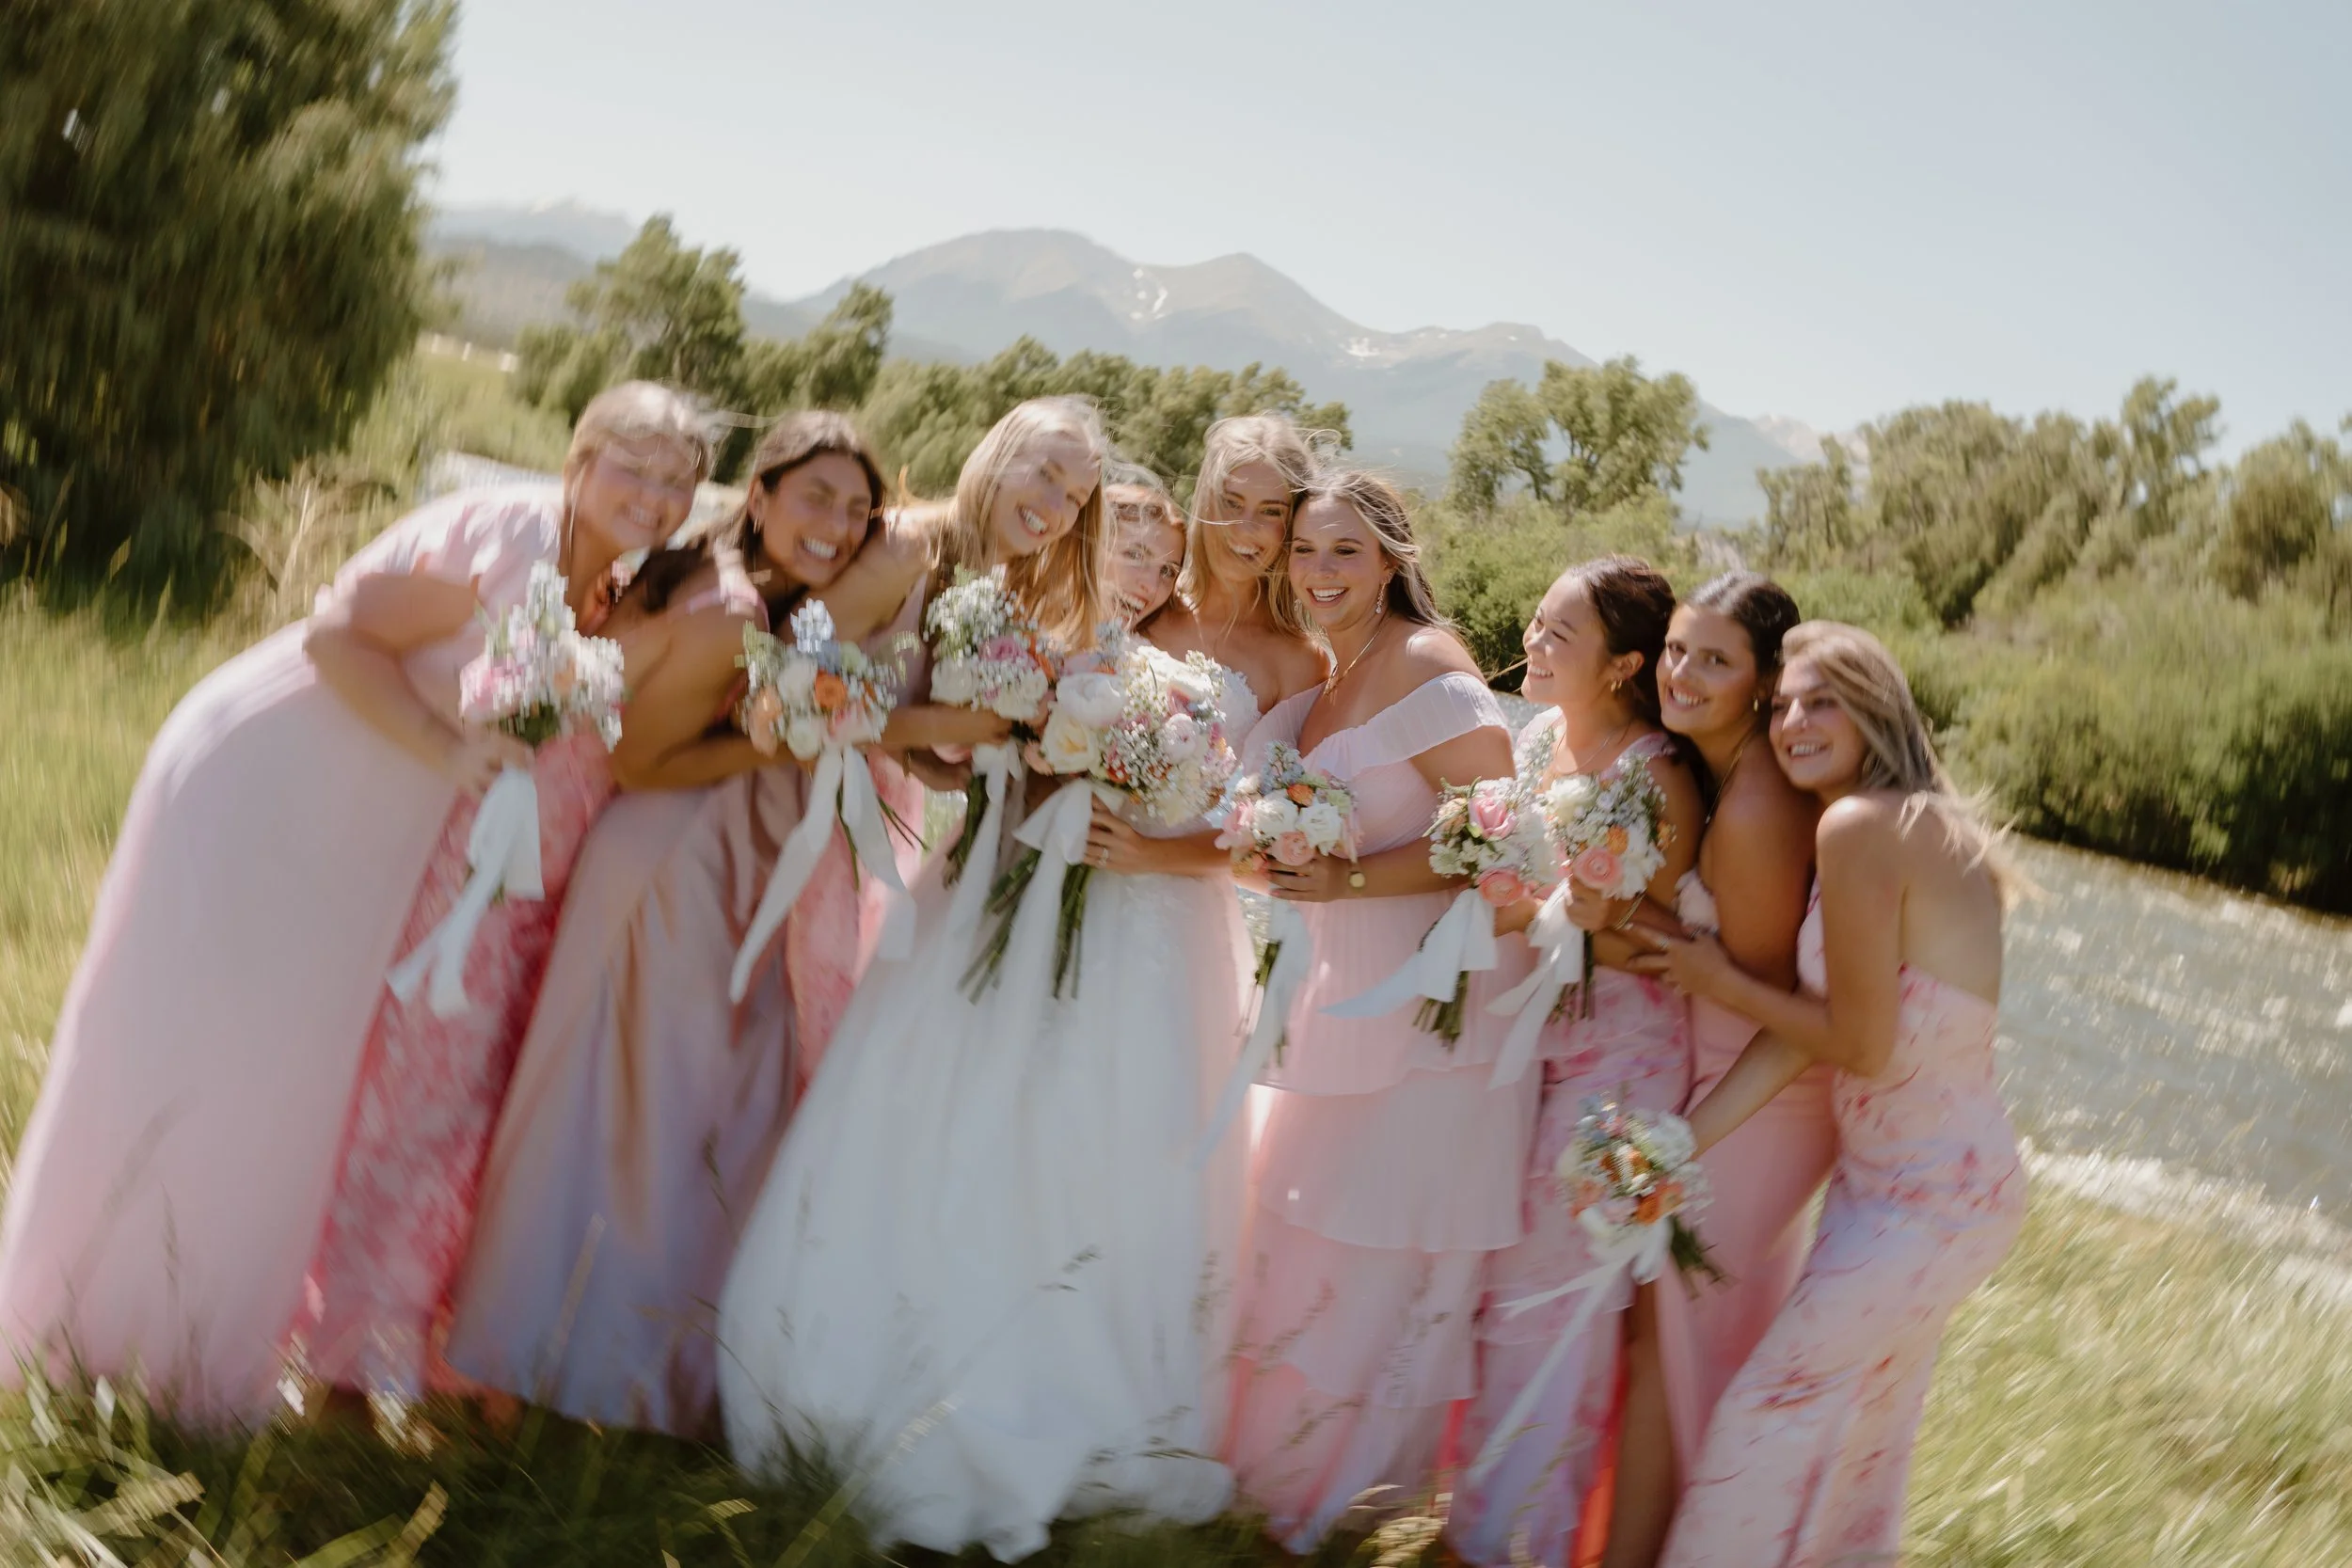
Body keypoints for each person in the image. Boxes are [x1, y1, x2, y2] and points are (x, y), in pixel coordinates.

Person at [0, 383, 710, 1425]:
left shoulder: (613, 577)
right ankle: (93, 1333)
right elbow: (338, 632)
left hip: (356, 825)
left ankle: (212, 1342)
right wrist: (447, 746)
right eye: (633, 466)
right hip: (272, 775)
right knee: (195, 1053)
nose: (654, 493)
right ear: (579, 460)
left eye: (677, 479)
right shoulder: (516, 539)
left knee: (280, 1072)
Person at [722, 398, 1263, 1562]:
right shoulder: (909, 545)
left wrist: (951, 739)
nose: (1056, 501)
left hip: (940, 854)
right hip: (777, 813)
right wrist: (923, 721)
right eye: (1048, 473)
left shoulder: (1025, 583)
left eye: (1075, 492)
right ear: (999, 450)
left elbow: (951, 737)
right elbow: (789, 682)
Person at [442, 413, 1005, 1436]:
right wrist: (791, 733)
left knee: (704, 1107)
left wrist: (891, 733)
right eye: (813, 497)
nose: (835, 523)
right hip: (672, 858)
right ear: (758, 496)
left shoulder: (793, 594)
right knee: (613, 1110)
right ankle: (528, 1367)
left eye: (855, 505)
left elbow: (864, 667)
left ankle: (644, 1368)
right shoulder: (726, 604)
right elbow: (646, 764)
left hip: (749, 860)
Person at [1641, 622, 2026, 1568]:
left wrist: (1719, 980)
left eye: (1822, 701)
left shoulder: (1864, 827)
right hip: (1902, 1186)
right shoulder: (1887, 823)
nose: (1792, 722)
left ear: (1876, 709)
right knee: (1859, 1442)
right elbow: (1804, 1029)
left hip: (1931, 1200)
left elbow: (1858, 1042)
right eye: (1780, 707)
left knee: (1771, 1403)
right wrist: (1678, 1143)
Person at [1223, 471, 1534, 1551]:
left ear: (1392, 557)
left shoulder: (1431, 668)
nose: (1319, 572)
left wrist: (1346, 881)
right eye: (1305, 550)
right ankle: (1269, 1463)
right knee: (1303, 1219)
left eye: (1344, 551)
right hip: (1333, 990)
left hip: (1426, 1019)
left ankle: (1338, 1496)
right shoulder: (1335, 667)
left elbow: (1501, 850)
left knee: (1374, 1241)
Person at [1452, 557, 1703, 1568]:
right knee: (1487, 1280)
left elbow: (1674, 939)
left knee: (1545, 1304)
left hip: (1618, 1070)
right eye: (1536, 619)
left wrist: (1570, 911)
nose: (1531, 641)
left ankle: (1519, 1541)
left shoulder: (1659, 775)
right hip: (1517, 1045)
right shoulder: (1541, 738)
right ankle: (1475, 1515)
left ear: (1622, 665)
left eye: (1560, 632)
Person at [1625, 573, 1827, 1568]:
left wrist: (1689, 1137)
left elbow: (1773, 1003)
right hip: (1715, 1071)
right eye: (1674, 648)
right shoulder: (1709, 768)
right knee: (1667, 1334)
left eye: (1713, 658)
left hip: (1761, 1096)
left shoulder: (1753, 807)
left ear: (1760, 682)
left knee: (1686, 1338)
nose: (1682, 672)